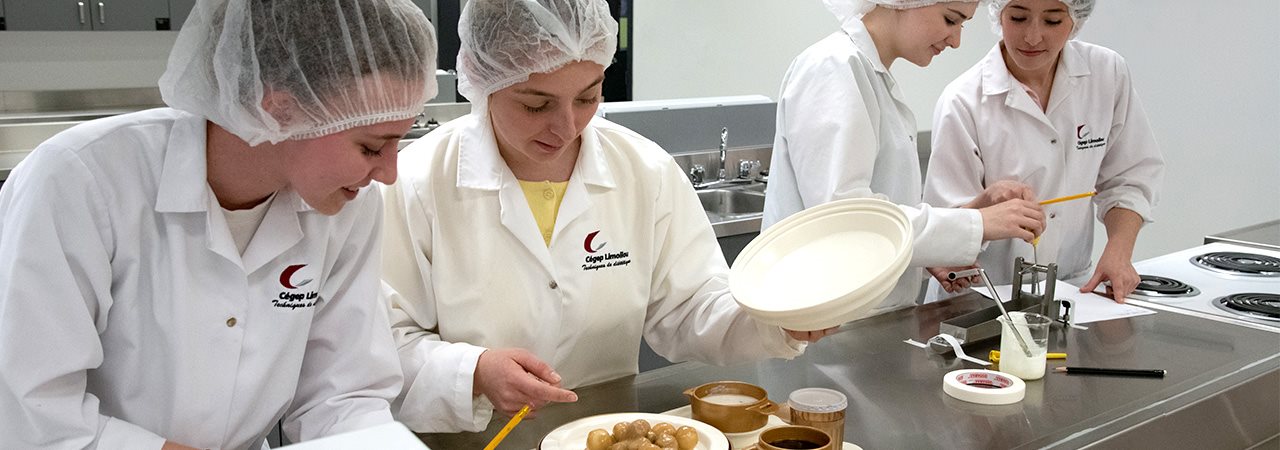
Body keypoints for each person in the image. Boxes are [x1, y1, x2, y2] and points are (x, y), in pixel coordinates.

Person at [380, 0, 835, 433]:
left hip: (604, 432)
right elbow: (380, 342)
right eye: (535, 104)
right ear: (483, 81)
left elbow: (691, 305)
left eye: (587, 97)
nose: (566, 127)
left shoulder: (643, 170)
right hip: (469, 438)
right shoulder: (419, 181)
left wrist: (774, 319)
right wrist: (472, 372)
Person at [0, 0, 437, 448]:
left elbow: (342, 395)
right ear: (281, 110)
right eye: (369, 147)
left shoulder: (347, 204)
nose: (388, 173)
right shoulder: (82, 180)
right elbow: (34, 413)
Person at [763, 0, 1047, 314]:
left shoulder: (870, 75)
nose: (956, 40)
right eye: (951, 20)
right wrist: (976, 224)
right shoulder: (834, 67)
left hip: (859, 317)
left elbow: (881, 209)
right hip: (823, 323)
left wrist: (958, 225)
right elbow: (846, 219)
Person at [923, 0, 1164, 303]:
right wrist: (987, 208)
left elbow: (1129, 176)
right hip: (980, 297)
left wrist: (1119, 251)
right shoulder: (963, 101)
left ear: (1075, 20)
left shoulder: (1106, 73)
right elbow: (944, 227)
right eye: (1019, 18)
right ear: (999, 14)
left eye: (1052, 21)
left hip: (1072, 289)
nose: (1033, 37)